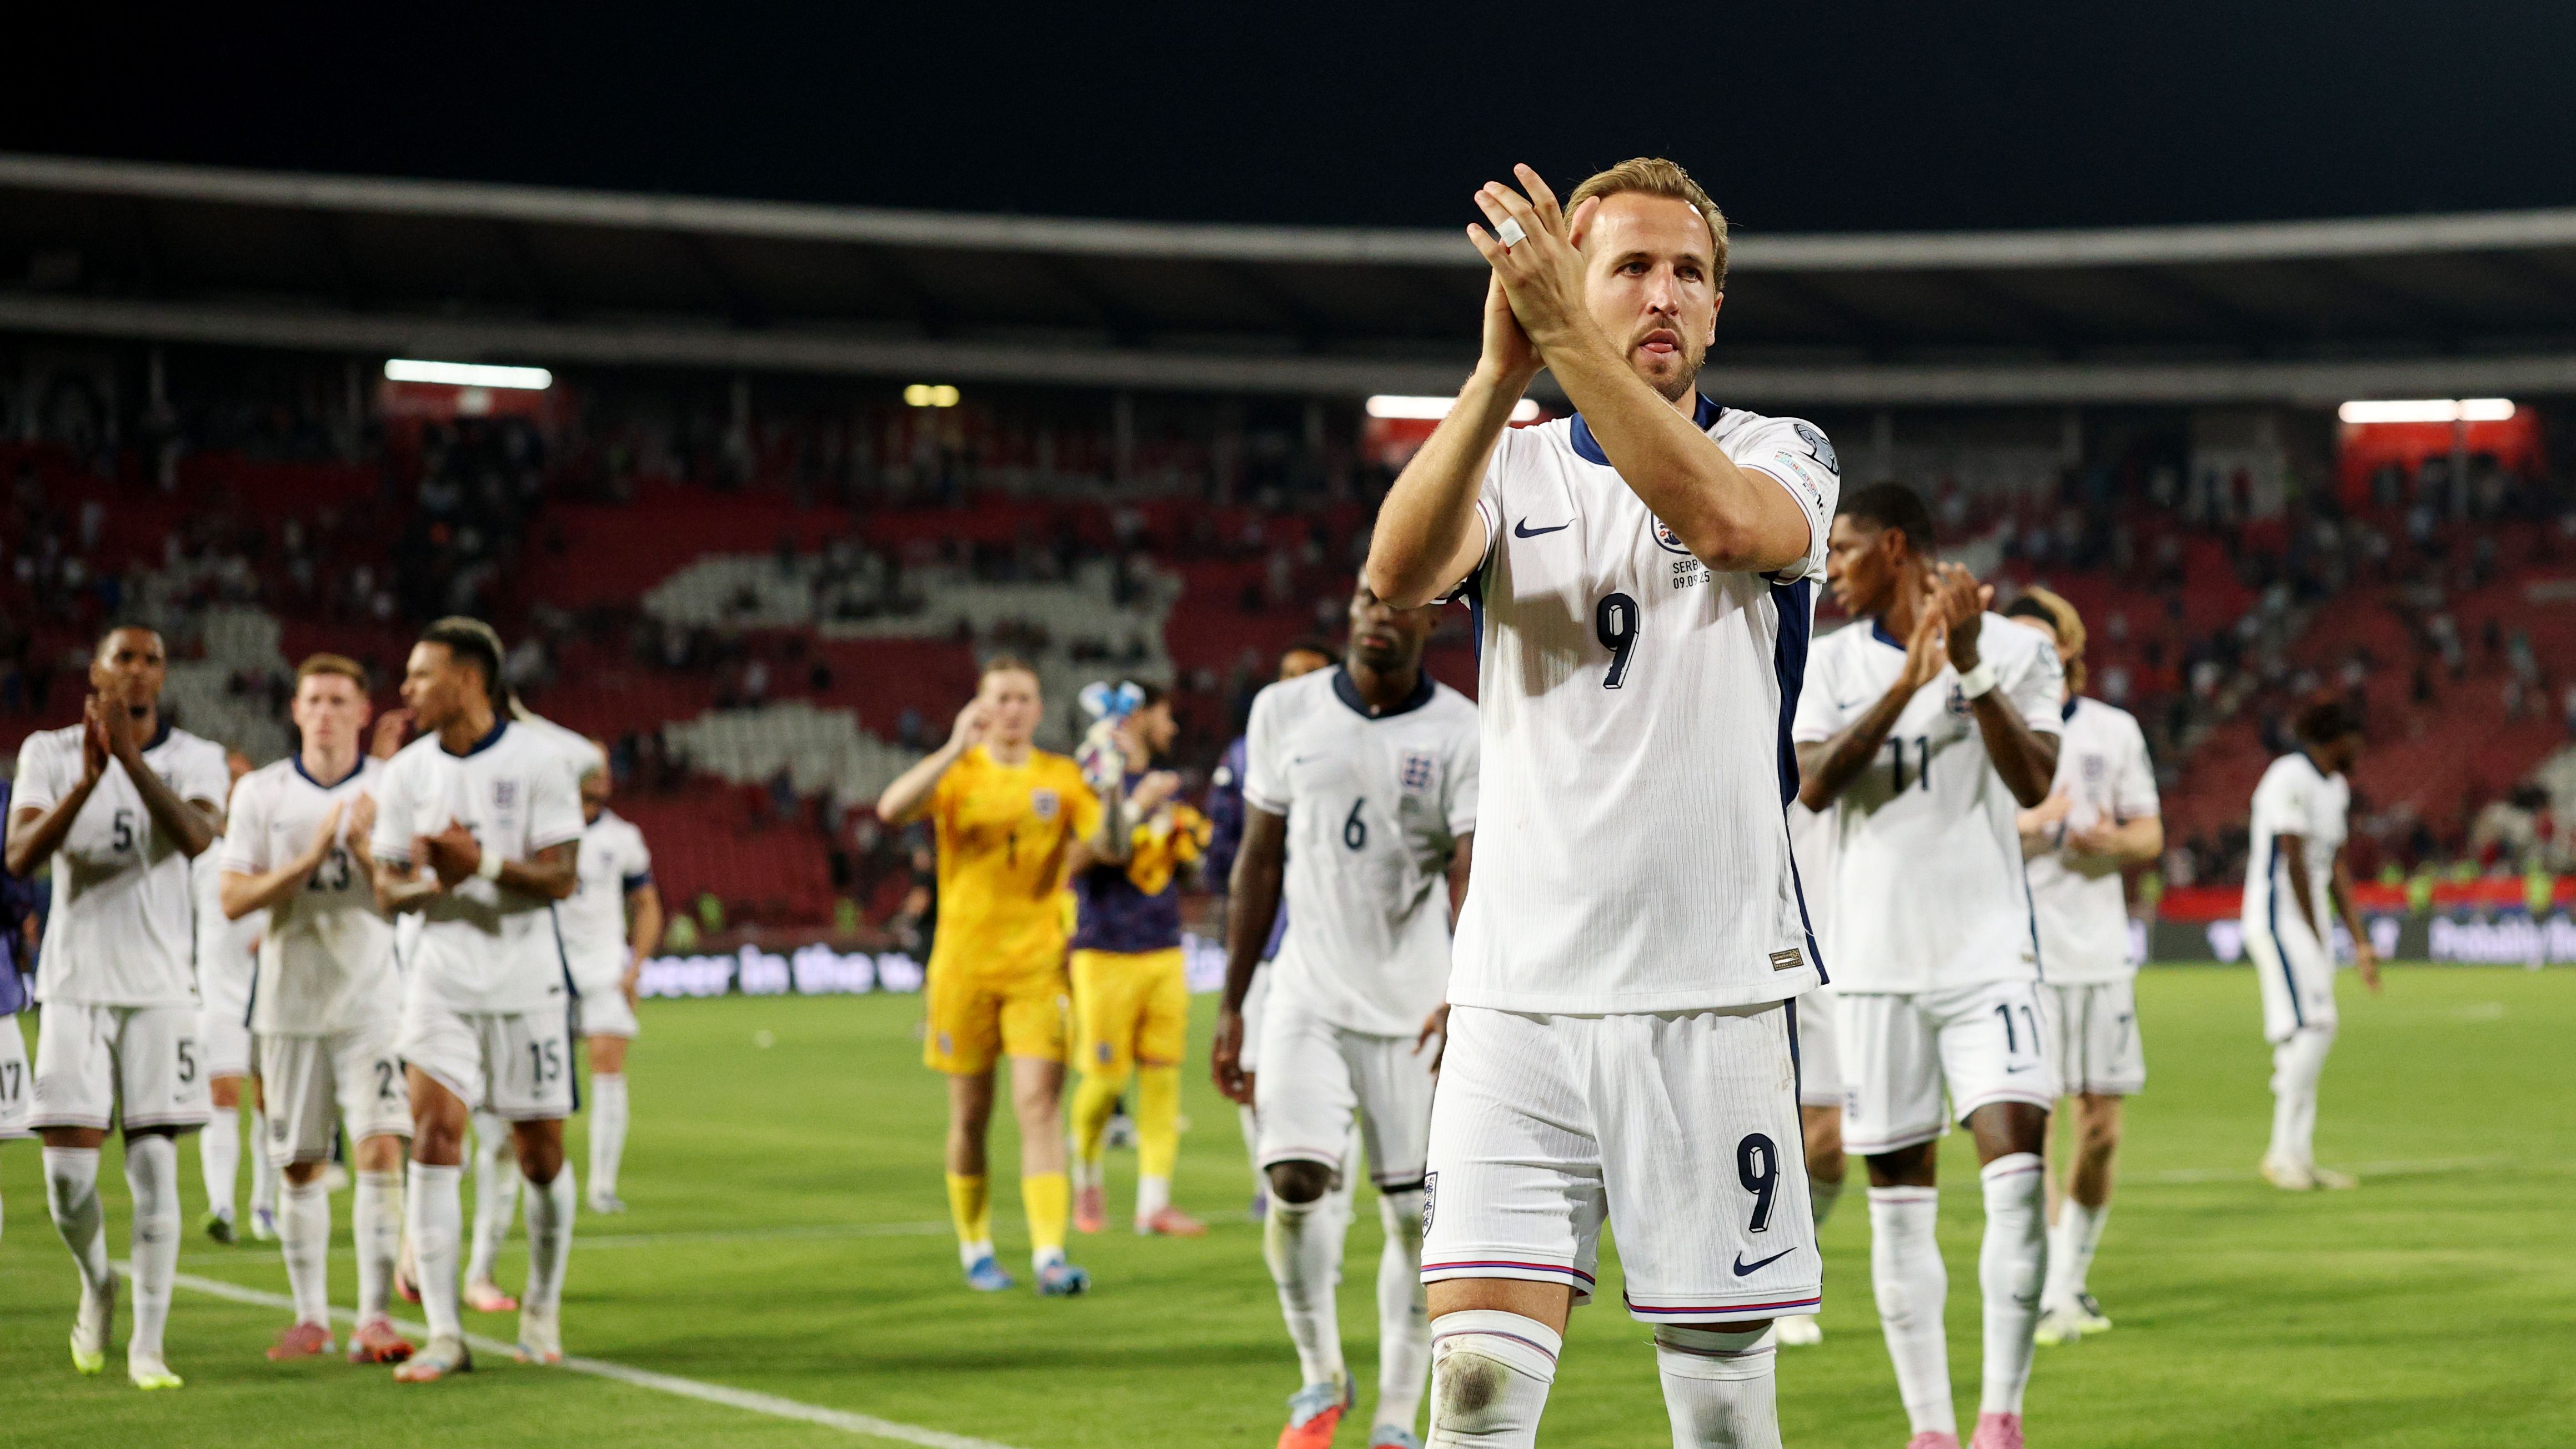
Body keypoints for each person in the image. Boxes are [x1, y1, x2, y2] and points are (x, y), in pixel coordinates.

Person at [1366, 157, 1837, 1449]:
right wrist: (1493, 376)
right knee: (1469, 1398)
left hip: (1713, 996)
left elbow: (1727, 526)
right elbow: (1395, 569)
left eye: (1688, 270)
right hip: (1518, 999)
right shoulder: (1511, 467)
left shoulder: (1781, 452)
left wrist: (1566, 335)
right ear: (1575, 277)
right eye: (1627, 265)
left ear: (1720, 307)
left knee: (1727, 1423)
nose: (1662, 292)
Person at [1795, 484, 2064, 1449]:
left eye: (1845, 549)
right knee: (1899, 1209)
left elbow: (2033, 781)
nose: (1829, 568)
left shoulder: (2019, 647)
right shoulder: (1822, 662)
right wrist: (1908, 682)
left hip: (1989, 955)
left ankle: (2000, 1416)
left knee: (2018, 1176)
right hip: (1872, 966)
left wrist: (1969, 668)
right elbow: (1816, 786)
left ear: (1895, 547)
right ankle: (1930, 1429)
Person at [1212, 583, 1477, 1449]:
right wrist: (1232, 1004)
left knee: (1412, 1218)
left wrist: (1468, 985)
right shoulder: (1282, 711)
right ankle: (1319, 1377)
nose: (1373, 612)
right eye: (1365, 595)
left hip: (1414, 1010)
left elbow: (1472, 872)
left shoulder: (1461, 732)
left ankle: (1397, 1417)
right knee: (1291, 1182)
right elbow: (1256, 863)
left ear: (1430, 618)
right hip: (1305, 996)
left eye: (1397, 602)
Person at [7, 625, 229, 1389]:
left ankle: (149, 1346)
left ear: (164, 676)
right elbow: (20, 857)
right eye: (123, 657)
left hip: (163, 989)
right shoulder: (49, 750)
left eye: (152, 659)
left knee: (155, 1168)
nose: (138, 670)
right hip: (73, 983)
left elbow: (199, 836)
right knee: (67, 1180)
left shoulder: (195, 758)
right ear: (96, 670)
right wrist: (87, 780)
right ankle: (99, 1281)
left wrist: (131, 765)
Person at [367, 618, 585, 1380]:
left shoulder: (541, 761)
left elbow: (562, 877)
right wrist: (433, 881)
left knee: (540, 1156)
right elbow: (384, 885)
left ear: (468, 680)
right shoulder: (406, 772)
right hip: (439, 981)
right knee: (433, 1139)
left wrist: (482, 860)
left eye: (420, 675)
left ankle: (542, 1306)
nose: (405, 690)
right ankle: (446, 1334)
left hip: (527, 985)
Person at [875, 656, 1127, 1297]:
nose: (1013, 709)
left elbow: (1115, 847)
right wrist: (954, 745)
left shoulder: (1062, 776)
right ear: (982, 707)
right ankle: (976, 1246)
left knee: (1039, 1106)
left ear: (1039, 709)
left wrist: (1117, 788)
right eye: (1001, 698)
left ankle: (1049, 1252)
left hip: (1038, 969)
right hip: (962, 968)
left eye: (1023, 698)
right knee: (971, 1114)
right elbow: (891, 808)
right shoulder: (958, 772)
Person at [219, 654, 417, 1365]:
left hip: (372, 1001)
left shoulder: (393, 789)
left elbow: (408, 897)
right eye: (315, 699)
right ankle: (311, 1317)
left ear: (364, 712)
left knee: (380, 1148)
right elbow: (233, 898)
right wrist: (306, 860)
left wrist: (364, 848)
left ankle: (373, 1318)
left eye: (340, 699)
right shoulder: (262, 794)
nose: (326, 711)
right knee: (299, 1164)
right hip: (289, 1002)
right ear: (296, 711)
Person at [2001, 590, 2163, 1345]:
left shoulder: (2113, 729)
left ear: (2069, 646)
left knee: (2098, 1130)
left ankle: (2069, 1277)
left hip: (2097, 953)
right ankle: (2046, 1288)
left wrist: (2112, 843)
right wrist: (2026, 828)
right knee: (2029, 1132)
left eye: (2043, 638)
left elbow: (2150, 833)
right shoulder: (1986, 728)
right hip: (2018, 957)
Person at [1205, 638, 1336, 1221]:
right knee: (1256, 1063)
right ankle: (1269, 1169)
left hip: (1340, 938)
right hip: (1267, 935)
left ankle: (1332, 1177)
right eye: (1287, 674)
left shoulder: (1358, 744)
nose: (1295, 686)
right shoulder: (1242, 753)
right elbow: (1226, 846)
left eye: (1310, 675)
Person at [1066, 682, 1202, 1237]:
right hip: (1105, 951)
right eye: (1165, 714)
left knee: (1164, 1080)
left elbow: (1183, 869)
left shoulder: (1162, 788)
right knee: (1103, 1081)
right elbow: (1074, 857)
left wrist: (1180, 834)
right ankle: (1087, 1175)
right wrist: (1135, 807)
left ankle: (1153, 1204)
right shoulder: (1091, 778)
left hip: (1164, 946)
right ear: (1141, 713)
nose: (1170, 726)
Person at [2242, 699, 2378, 1192]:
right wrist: (2316, 934)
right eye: (2354, 736)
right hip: (2279, 918)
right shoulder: (2288, 776)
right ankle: (2283, 1153)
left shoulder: (2336, 788)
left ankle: (2296, 1155)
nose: (2361, 747)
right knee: (2318, 1025)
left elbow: (2336, 867)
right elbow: (2293, 858)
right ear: (2333, 737)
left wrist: (2359, 942)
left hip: (2307, 922)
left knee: (2304, 1036)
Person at [562, 738, 661, 1214]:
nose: (603, 774)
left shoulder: (623, 837)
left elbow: (646, 904)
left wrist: (635, 965)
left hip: (603, 970)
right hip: (544, 973)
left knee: (608, 1065)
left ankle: (602, 1185)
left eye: (606, 766)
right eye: (593, 766)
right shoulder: (541, 829)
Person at [194, 750, 276, 1246]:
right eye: (230, 779)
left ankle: (264, 1205)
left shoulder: (275, 852)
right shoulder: (202, 855)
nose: (237, 786)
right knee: (222, 1095)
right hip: (218, 996)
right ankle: (221, 1204)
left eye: (245, 778)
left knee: (270, 1104)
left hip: (270, 995)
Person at [1776, 800, 1849, 1350]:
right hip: (1774, 940)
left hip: (1848, 950)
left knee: (1828, 1145)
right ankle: (1772, 1280)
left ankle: (1798, 1255)